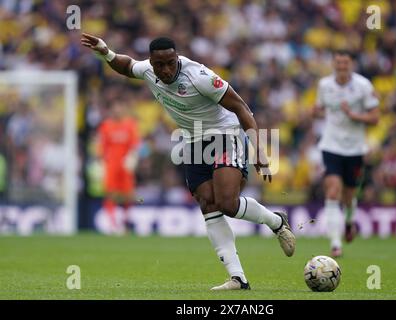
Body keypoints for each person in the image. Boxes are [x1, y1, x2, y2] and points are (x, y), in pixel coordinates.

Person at [81, 33, 296, 290]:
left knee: (227, 202)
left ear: (177, 57)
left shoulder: (199, 77)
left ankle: (276, 221)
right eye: (159, 64)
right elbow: (126, 66)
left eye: (171, 62)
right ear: (151, 62)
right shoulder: (148, 71)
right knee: (208, 203)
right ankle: (238, 278)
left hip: (224, 135)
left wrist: (258, 148)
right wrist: (106, 52)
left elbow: (240, 107)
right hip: (193, 142)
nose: (166, 69)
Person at [313, 50, 379, 257]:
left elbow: (375, 118)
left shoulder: (363, 86)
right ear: (333, 64)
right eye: (338, 63)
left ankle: (349, 221)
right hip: (331, 145)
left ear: (351, 64)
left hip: (355, 149)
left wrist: (353, 115)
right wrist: (315, 111)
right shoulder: (324, 85)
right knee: (332, 191)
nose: (342, 66)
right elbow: (319, 109)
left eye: (345, 63)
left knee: (349, 196)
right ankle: (335, 243)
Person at [97, 99, 139, 234]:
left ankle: (125, 223)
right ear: (111, 110)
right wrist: (102, 163)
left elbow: (135, 144)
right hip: (111, 166)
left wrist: (132, 158)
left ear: (124, 109)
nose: (117, 110)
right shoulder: (105, 126)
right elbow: (102, 147)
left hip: (125, 167)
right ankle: (113, 225)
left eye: (119, 107)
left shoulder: (130, 125)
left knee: (127, 196)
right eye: (115, 108)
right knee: (111, 196)